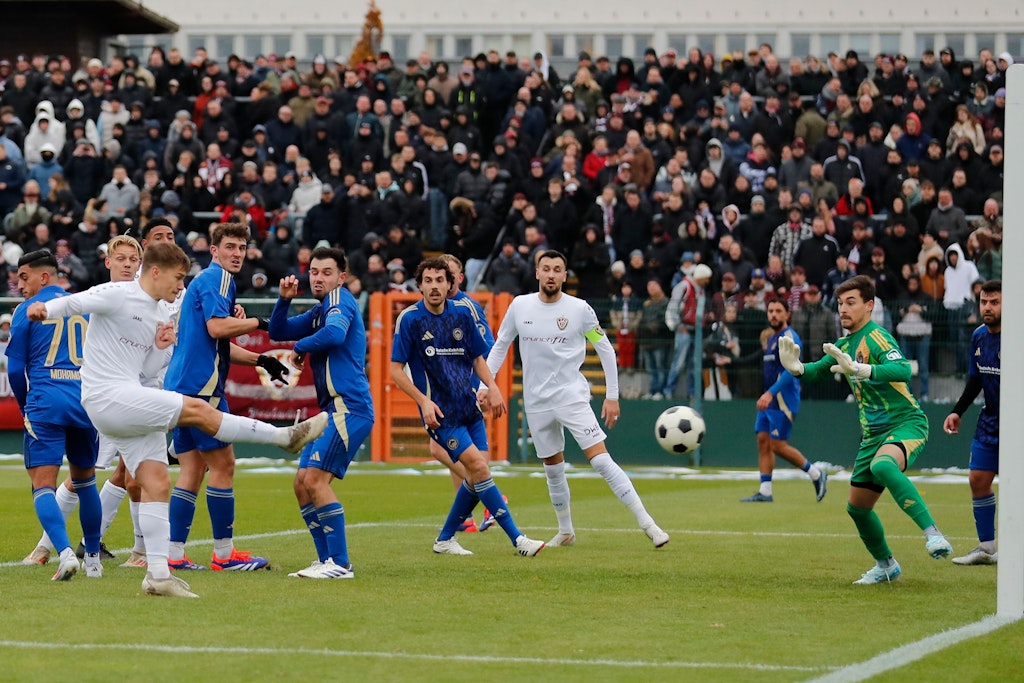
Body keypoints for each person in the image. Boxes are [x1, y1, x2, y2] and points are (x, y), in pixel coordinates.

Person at [26, 241, 328, 597]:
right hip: (107, 396)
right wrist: (45, 308)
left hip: (125, 398)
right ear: (156, 271)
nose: (180, 285)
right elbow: (76, 302)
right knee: (198, 410)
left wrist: (161, 345)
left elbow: (148, 369)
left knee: (157, 483)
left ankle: (157, 575)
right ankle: (283, 437)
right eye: (178, 277)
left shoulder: (158, 313)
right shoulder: (118, 293)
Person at [486, 251, 669, 548]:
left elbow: (605, 349)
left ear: (564, 275)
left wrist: (612, 396)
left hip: (571, 396)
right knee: (553, 468)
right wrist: (486, 386)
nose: (550, 274)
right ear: (536, 273)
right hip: (536, 401)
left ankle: (649, 525)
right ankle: (566, 531)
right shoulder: (519, 306)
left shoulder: (579, 309)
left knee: (600, 460)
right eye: (545, 269)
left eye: (557, 270)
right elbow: (500, 346)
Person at [777, 275, 953, 584]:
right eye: (840, 303)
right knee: (857, 509)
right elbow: (817, 371)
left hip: (905, 423)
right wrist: (797, 369)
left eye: (851, 302)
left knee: (883, 465)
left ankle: (934, 534)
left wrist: (864, 369)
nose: (843, 309)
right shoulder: (844, 343)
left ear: (869, 306)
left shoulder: (877, 336)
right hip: (872, 436)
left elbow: (902, 369)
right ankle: (886, 565)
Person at [390, 257, 544, 557]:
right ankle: (518, 539)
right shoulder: (410, 319)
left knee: (476, 476)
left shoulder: (462, 314)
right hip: (441, 415)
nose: (434, 286)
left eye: (440, 280)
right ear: (419, 285)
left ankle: (445, 538)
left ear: (451, 284)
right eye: (428, 280)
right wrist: (424, 402)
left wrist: (493, 388)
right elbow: (396, 370)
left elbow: (477, 359)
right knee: (479, 468)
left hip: (469, 408)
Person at [163, 222, 292, 572]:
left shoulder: (204, 281)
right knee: (224, 465)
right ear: (214, 250)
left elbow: (214, 340)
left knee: (191, 469)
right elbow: (217, 328)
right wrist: (259, 322)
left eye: (242, 248)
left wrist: (260, 359)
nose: (237, 254)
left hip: (181, 386)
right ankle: (224, 554)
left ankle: (173, 554)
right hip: (202, 389)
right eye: (230, 247)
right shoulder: (219, 279)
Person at [269, 247, 375, 578]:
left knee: (314, 479)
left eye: (326, 272)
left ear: (341, 277)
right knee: (302, 483)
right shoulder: (320, 310)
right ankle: (326, 560)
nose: (318, 277)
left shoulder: (339, 300)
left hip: (350, 405)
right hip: (334, 408)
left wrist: (300, 348)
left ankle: (340, 564)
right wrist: (284, 300)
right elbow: (278, 331)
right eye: (314, 271)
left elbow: (336, 333)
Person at [6, 249, 102, 581]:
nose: (19, 285)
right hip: (84, 402)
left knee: (43, 484)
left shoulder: (27, 311)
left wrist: (24, 406)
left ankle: (63, 553)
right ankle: (93, 560)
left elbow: (16, 370)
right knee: (85, 481)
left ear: (44, 276)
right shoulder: (84, 308)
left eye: (23, 277)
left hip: (46, 402)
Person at [741, 299, 827, 503]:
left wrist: (770, 393)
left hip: (782, 401)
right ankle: (765, 491)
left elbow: (792, 370)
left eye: (778, 311)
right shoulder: (772, 338)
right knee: (763, 441)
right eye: (770, 310)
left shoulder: (790, 337)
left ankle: (816, 473)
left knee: (778, 445)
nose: (773, 314)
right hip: (768, 399)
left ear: (787, 314)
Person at [943, 280, 1000, 566]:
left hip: (1017, 424)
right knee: (978, 480)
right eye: (984, 302)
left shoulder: (1018, 335)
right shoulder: (979, 335)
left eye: (994, 302)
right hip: (990, 420)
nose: (987, 307)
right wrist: (957, 411)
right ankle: (987, 548)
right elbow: (976, 379)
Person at [664, 263, 712, 401]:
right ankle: (669, 391)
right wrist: (677, 325)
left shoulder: (701, 290)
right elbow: (672, 306)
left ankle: (693, 393)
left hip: (696, 331)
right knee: (679, 362)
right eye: (706, 278)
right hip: (683, 330)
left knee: (694, 363)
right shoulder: (684, 286)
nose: (707, 281)